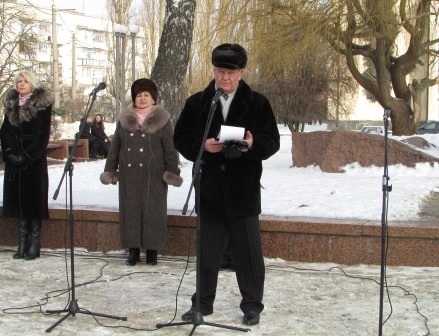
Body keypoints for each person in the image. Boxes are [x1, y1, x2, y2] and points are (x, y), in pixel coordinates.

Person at [173, 43, 280, 326]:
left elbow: (272, 140)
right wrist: (203, 146)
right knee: (207, 252)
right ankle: (202, 303)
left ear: (242, 73)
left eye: (231, 73)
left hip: (242, 189)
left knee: (249, 253)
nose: (226, 78)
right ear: (214, 71)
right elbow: (180, 137)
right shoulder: (198, 103)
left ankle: (252, 304)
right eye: (221, 72)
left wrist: (252, 143)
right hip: (209, 189)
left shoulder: (258, 103)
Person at [100, 78, 183, 266]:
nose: (142, 98)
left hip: (154, 175)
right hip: (129, 176)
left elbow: (170, 148)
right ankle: (133, 250)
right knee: (130, 212)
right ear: (134, 98)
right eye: (139, 95)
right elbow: (115, 147)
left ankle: (152, 250)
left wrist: (172, 170)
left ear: (153, 99)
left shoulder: (162, 120)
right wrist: (110, 169)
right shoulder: (124, 119)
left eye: (146, 95)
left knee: (153, 211)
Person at [0, 70, 53, 260]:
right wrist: (9, 153)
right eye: (19, 81)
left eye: (25, 81)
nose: (21, 84)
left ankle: (34, 243)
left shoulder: (42, 105)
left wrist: (27, 156)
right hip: (14, 161)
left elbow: (42, 135)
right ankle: (22, 241)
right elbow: (5, 131)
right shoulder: (11, 104)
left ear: (32, 84)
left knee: (34, 202)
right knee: (19, 202)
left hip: (33, 162)